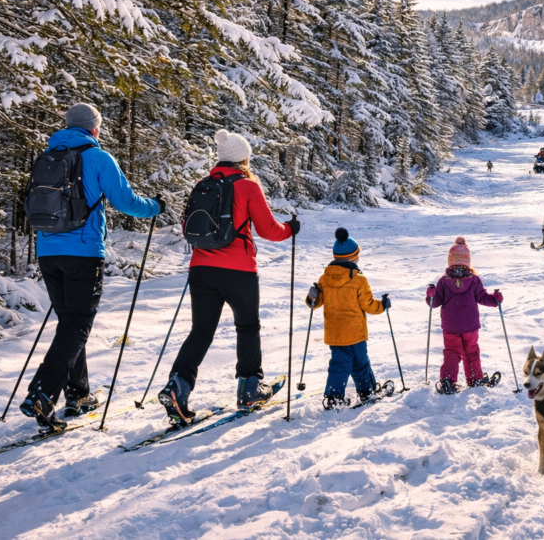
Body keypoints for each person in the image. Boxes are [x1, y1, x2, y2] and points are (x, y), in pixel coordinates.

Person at [19, 103, 165, 431]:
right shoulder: (98, 157)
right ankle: (42, 392)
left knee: (70, 322)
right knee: (78, 324)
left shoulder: (47, 157)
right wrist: (156, 206)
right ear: (94, 128)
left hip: (47, 250)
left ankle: (79, 394)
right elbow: (127, 203)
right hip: (83, 252)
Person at [158, 129, 298, 422]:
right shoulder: (247, 186)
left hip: (201, 268)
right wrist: (290, 229)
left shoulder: (202, 184)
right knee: (247, 327)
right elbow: (268, 230)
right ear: (243, 159)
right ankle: (249, 389)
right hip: (239, 270)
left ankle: (178, 385)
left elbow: (188, 225)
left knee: (201, 331)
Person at [306, 228, 389, 409]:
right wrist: (383, 305)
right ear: (353, 258)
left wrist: (312, 297)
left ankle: (334, 397)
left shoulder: (324, 278)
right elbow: (368, 305)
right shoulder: (359, 279)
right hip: (356, 333)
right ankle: (367, 392)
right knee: (360, 363)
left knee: (339, 364)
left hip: (335, 333)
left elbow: (316, 302)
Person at [426, 238, 503, 393]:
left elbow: (436, 303)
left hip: (451, 326)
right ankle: (475, 378)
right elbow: (482, 297)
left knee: (452, 352)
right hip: (470, 325)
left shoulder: (443, 281)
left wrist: (431, 296)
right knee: (472, 352)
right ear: (468, 261)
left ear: (450, 261)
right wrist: (494, 300)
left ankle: (448, 380)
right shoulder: (474, 280)